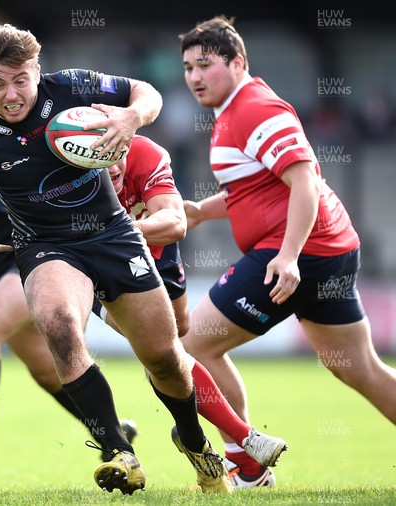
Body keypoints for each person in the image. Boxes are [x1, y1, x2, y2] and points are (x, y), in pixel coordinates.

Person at [0, 22, 234, 494]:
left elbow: (146, 92)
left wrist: (130, 118)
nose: (11, 94)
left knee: (164, 357)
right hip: (45, 245)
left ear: (37, 71)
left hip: (113, 234)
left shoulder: (72, 86)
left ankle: (195, 443)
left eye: (20, 80)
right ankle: (118, 449)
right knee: (58, 323)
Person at [178, 14, 396, 485]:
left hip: (302, 254)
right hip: (331, 252)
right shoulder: (230, 112)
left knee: (192, 347)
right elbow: (257, 189)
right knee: (361, 369)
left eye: (205, 65)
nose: (194, 76)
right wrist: (199, 211)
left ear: (238, 63)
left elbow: (305, 181)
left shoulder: (254, 108)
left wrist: (290, 255)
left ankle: (248, 465)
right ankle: (248, 462)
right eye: (188, 67)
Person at [0, 75, 139, 485]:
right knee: (48, 372)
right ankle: (113, 436)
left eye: (18, 80)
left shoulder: (53, 108)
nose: (9, 94)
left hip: (40, 250)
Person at [94, 134, 288, 488]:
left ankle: (235, 459)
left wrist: (126, 231)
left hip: (146, 241)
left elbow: (175, 221)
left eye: (117, 156)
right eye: (101, 160)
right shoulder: (61, 174)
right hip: (97, 264)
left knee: (179, 337)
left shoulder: (147, 154)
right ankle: (242, 443)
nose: (114, 167)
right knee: (163, 351)